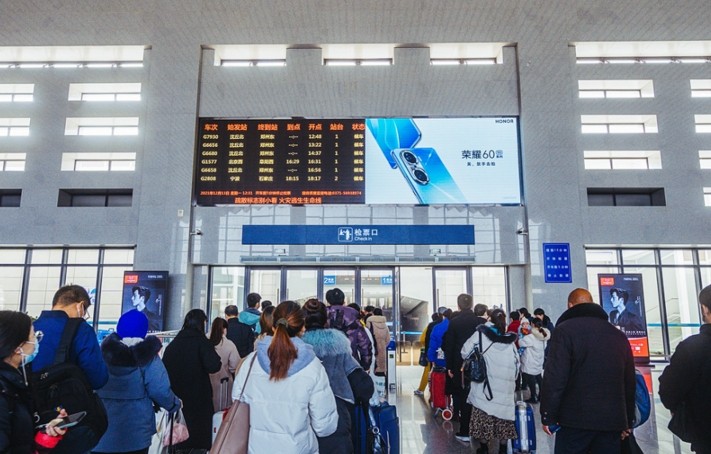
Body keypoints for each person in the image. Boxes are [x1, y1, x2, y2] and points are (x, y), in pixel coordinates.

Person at [232, 301, 338, 453]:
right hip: (298, 448)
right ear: (302, 328)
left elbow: (237, 401)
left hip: (257, 448)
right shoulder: (313, 367)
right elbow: (325, 426)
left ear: (273, 327)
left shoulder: (251, 362)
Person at [540, 288, 635, 454]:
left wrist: (548, 415)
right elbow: (629, 381)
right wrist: (628, 419)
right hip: (612, 421)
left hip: (575, 420)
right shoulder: (618, 335)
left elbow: (555, 377)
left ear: (570, 305)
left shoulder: (564, 331)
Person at [32, 284, 109, 454]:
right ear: (80, 306)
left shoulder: (29, 328)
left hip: (31, 418)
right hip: (66, 420)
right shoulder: (81, 329)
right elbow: (98, 378)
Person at [93, 310, 181, 454]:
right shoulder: (148, 358)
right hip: (136, 433)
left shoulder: (101, 355)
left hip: (102, 429)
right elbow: (159, 390)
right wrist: (174, 405)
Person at [302, 299, 374, 454]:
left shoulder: (293, 348)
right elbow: (363, 385)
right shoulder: (338, 345)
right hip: (337, 415)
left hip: (300, 415)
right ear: (326, 320)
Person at [0, 311, 68, 453]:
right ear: (18, 348)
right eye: (34, 336)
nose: (36, 342)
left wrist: (45, 435)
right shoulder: (5, 390)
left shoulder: (16, 380)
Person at [659, 284, 711, 453]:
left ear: (705, 309)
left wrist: (678, 409)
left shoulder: (693, 347)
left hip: (705, 434)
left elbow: (668, 390)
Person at [162, 309, 221, 453]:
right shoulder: (202, 342)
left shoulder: (173, 344)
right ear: (202, 324)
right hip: (199, 396)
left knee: (179, 434)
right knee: (199, 436)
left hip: (177, 397)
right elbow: (214, 365)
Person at [462, 308, 519, 454]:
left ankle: (484, 448)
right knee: (503, 419)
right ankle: (503, 449)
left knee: (484, 417)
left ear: (489, 319)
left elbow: (464, 352)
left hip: (485, 388)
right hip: (505, 387)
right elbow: (517, 364)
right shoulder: (510, 341)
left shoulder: (480, 335)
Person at [443, 296, 488, 443]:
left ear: (458, 305)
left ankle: (465, 431)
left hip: (460, 365)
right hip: (479, 365)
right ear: (472, 305)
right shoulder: (480, 322)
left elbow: (449, 346)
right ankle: (480, 431)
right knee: (479, 396)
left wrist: (449, 367)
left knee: (463, 397)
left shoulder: (454, 322)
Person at [326, 288, 373, 371]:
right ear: (343, 300)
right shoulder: (353, 316)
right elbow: (364, 343)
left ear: (328, 300)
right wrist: (365, 364)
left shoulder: (322, 316)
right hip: (350, 364)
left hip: (326, 364)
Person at [208, 317, 240, 412]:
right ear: (225, 329)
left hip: (207, 382)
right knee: (222, 412)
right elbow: (235, 366)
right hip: (224, 384)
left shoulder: (204, 341)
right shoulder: (229, 344)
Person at [519, 318, 550, 404]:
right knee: (539, 377)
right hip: (539, 359)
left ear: (532, 324)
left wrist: (522, 336)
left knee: (530, 377)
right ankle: (541, 395)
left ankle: (533, 396)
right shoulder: (543, 335)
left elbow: (521, 343)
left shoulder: (530, 337)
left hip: (530, 360)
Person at [415, 312, 442, 396]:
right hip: (442, 352)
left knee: (428, 371)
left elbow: (422, 339)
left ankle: (421, 389)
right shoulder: (445, 325)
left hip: (431, 351)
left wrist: (427, 346)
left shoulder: (430, 326)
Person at [365, 308, 391, 377]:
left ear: (373, 313)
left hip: (372, 347)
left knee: (372, 369)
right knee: (381, 371)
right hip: (382, 349)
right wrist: (382, 345)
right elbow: (388, 339)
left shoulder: (369, 322)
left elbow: (367, 335)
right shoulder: (385, 325)